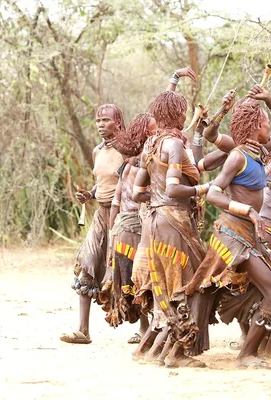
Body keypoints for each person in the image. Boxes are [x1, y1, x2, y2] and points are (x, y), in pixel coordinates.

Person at [187, 84, 271, 369]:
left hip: (248, 234)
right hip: (233, 234)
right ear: (256, 126)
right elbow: (215, 192)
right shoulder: (238, 155)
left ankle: (253, 349)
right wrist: (247, 209)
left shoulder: (260, 151)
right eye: (265, 122)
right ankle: (246, 355)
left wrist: (270, 101)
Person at [131, 88, 212, 368]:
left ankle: (155, 351)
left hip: (154, 223)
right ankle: (177, 355)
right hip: (172, 223)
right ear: (178, 113)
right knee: (189, 285)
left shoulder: (150, 145)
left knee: (167, 286)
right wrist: (206, 188)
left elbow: (136, 191)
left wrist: (156, 200)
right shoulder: (173, 146)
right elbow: (174, 188)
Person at [60, 104, 125, 345]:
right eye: (97, 121)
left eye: (106, 120)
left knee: (125, 266)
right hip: (101, 214)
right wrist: (89, 194)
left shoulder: (126, 150)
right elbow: (102, 183)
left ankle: (144, 328)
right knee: (87, 263)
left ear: (118, 122)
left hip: (122, 216)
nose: (100, 125)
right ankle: (83, 330)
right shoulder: (98, 151)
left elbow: (129, 182)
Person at [101, 112, 157, 344]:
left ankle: (145, 330)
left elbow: (116, 201)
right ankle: (147, 330)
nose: (156, 132)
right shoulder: (142, 164)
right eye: (152, 130)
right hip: (135, 227)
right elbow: (133, 197)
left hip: (122, 227)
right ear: (145, 136)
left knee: (135, 279)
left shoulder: (127, 165)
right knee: (144, 278)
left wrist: (113, 231)